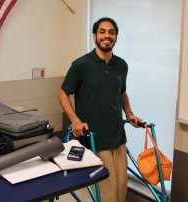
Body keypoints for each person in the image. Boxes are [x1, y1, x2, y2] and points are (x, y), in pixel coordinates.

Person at [58, 17, 142, 202]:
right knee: (108, 192)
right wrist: (75, 121)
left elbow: (122, 93)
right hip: (95, 137)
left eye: (111, 32)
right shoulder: (81, 65)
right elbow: (63, 93)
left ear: (116, 38)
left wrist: (129, 114)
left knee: (121, 188)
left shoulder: (121, 65)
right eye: (102, 32)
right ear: (95, 36)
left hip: (117, 136)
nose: (107, 36)